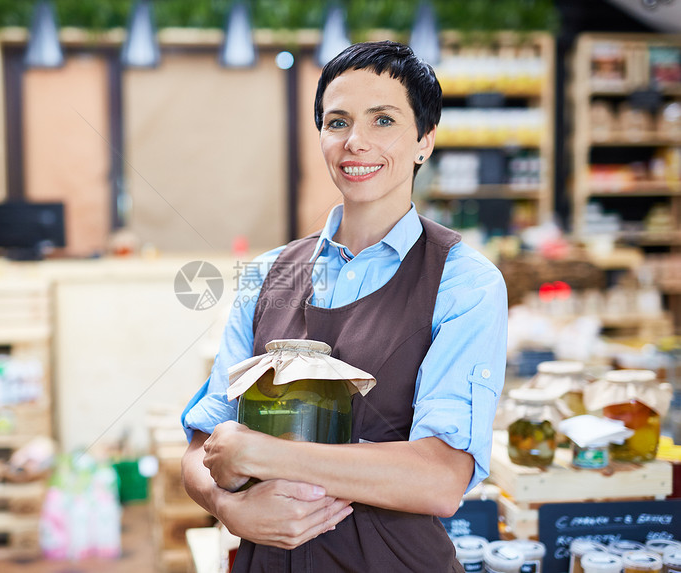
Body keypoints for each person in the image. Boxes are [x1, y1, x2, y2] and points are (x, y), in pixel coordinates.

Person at [181, 40, 507, 572]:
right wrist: (228, 508)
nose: (356, 142)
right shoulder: (267, 276)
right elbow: (203, 446)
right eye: (337, 122)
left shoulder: (464, 283)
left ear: (424, 140)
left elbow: (440, 478)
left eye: (383, 120)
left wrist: (264, 454)